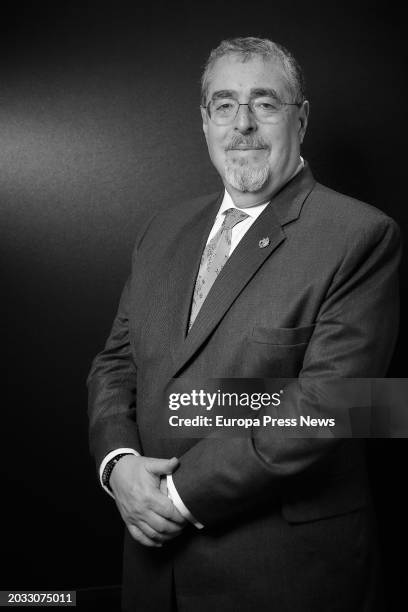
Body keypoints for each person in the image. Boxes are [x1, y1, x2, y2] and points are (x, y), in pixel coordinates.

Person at [87, 37, 401, 611]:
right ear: (205, 122)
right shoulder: (161, 231)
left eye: (265, 103)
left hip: (284, 575)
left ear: (300, 119)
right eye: (225, 105)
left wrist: (173, 498)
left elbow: (343, 403)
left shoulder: (361, 235)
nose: (244, 125)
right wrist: (119, 465)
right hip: (153, 572)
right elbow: (115, 364)